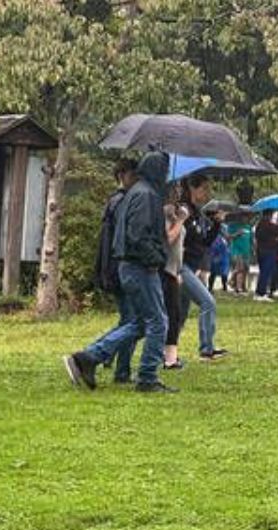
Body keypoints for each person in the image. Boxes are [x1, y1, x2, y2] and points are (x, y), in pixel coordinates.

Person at [65, 152, 175, 393]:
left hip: (129, 266)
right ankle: (147, 377)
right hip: (140, 266)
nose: (167, 176)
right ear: (157, 171)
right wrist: (157, 258)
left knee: (139, 322)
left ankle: (89, 357)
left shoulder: (136, 192)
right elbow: (138, 236)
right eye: (165, 171)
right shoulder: (146, 195)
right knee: (158, 322)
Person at [91, 158, 140, 383]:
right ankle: (89, 355)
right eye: (133, 174)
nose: (136, 179)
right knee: (132, 322)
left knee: (128, 320)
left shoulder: (114, 201)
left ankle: (119, 369)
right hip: (119, 267)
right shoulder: (121, 202)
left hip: (112, 266)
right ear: (122, 175)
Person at [176, 175, 227, 362]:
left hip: (190, 266)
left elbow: (204, 243)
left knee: (179, 315)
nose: (207, 193)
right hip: (180, 267)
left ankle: (167, 354)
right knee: (208, 302)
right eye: (204, 188)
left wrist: (217, 224)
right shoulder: (183, 211)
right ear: (191, 187)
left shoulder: (197, 213)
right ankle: (207, 349)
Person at [161, 187, 188, 370]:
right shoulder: (163, 213)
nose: (177, 193)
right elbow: (168, 238)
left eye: (179, 189)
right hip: (163, 269)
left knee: (175, 314)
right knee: (170, 314)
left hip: (173, 270)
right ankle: (169, 359)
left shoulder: (174, 212)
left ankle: (170, 356)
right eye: (174, 189)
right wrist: (180, 220)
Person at [253, 209, 278, 302]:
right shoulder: (271, 226)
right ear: (270, 215)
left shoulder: (259, 225)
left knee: (263, 272)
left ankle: (260, 291)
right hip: (269, 250)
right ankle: (261, 292)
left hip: (260, 250)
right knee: (266, 272)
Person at [225, 218, 253, 295]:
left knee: (245, 269)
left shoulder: (248, 226)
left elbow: (251, 239)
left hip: (246, 251)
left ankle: (239, 285)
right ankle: (238, 288)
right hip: (237, 250)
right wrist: (237, 233)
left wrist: (253, 248)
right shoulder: (232, 225)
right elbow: (227, 237)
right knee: (240, 268)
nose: (245, 218)